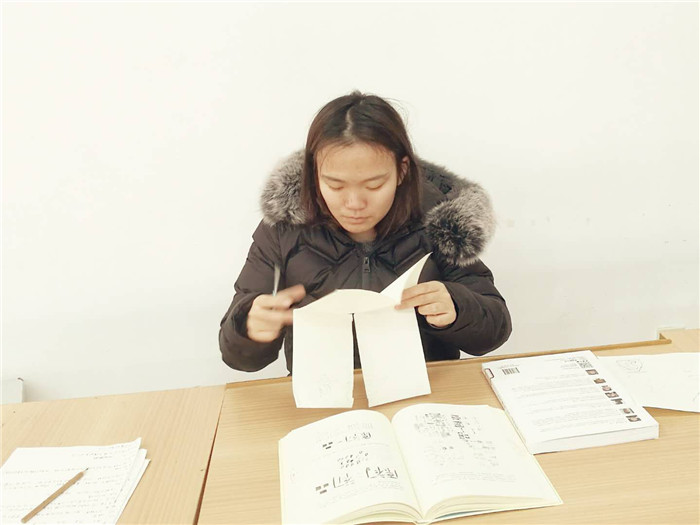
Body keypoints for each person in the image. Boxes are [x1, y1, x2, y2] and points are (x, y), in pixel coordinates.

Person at [219, 91, 511, 374]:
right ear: (314, 173)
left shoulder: (443, 223)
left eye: (374, 185)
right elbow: (237, 358)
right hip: (320, 396)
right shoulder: (283, 228)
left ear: (402, 170)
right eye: (335, 185)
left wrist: (456, 307)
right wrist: (249, 327)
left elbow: (494, 331)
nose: (354, 204)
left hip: (425, 393)